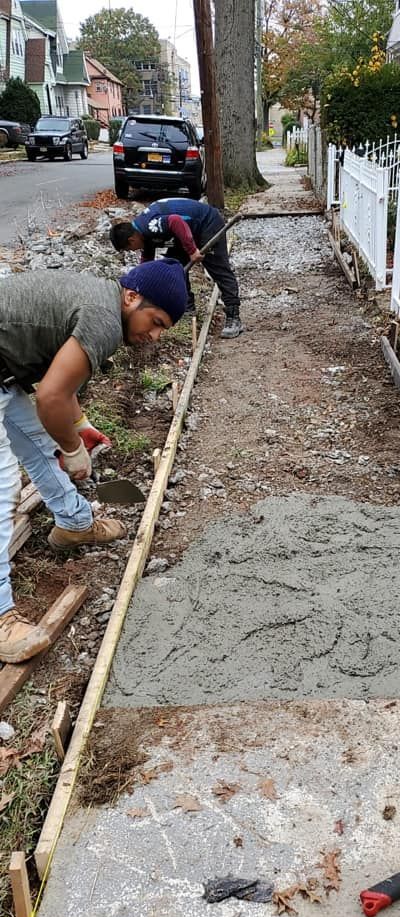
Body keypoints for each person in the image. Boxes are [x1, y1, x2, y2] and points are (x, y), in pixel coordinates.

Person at [0, 258, 187, 664]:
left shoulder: (100, 300)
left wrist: (79, 425)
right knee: (2, 490)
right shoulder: (104, 320)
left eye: (163, 329)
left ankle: (74, 524)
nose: (155, 335)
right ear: (132, 297)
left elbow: (61, 384)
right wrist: (71, 449)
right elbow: (50, 397)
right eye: (155, 321)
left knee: (35, 441)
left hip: (4, 373)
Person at [109, 198, 243, 340]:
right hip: (184, 232)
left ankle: (233, 316)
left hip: (207, 223)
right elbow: (145, 267)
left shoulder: (150, 226)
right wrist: (135, 287)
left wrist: (191, 250)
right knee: (177, 267)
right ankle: (188, 308)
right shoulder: (142, 234)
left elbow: (175, 221)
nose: (133, 250)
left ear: (131, 240)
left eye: (129, 249)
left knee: (218, 269)